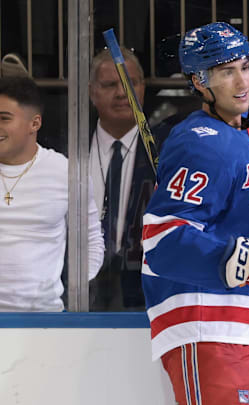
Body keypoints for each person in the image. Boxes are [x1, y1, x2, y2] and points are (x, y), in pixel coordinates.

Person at [141, 22, 249, 404]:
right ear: (200, 82)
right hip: (206, 322)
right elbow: (163, 240)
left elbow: (248, 231)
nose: (241, 81)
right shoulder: (197, 143)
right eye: (225, 72)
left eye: (244, 67)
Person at [0, 76, 104, 311]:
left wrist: (75, 293)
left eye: (4, 119)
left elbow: (92, 241)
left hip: (45, 321)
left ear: (34, 123)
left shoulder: (65, 172)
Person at [88, 46, 164, 311]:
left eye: (130, 84)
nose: (122, 94)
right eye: (110, 84)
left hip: (149, 298)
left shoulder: (165, 150)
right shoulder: (70, 148)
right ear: (91, 92)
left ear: (142, 88)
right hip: (80, 295)